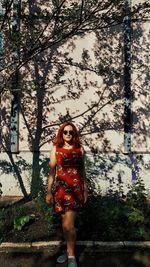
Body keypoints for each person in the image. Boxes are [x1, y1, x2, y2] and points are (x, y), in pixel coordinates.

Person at [45, 121, 88, 267]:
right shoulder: (55, 149)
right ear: (61, 133)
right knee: (65, 225)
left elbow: (82, 172)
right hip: (60, 190)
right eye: (65, 132)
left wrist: (85, 189)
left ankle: (71, 256)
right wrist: (49, 191)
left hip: (75, 191)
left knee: (69, 224)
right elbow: (52, 172)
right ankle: (69, 250)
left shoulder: (79, 149)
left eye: (71, 132)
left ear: (74, 134)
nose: (68, 134)